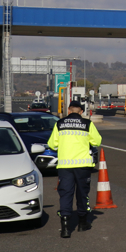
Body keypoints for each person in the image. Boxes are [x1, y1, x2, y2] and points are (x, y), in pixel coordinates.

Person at [48, 100, 102, 238]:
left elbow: (52, 144)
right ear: (81, 111)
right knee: (82, 193)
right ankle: (82, 223)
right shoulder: (87, 124)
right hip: (83, 165)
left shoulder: (60, 124)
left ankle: (65, 228)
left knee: (66, 194)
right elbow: (97, 141)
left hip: (65, 166)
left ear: (69, 109)